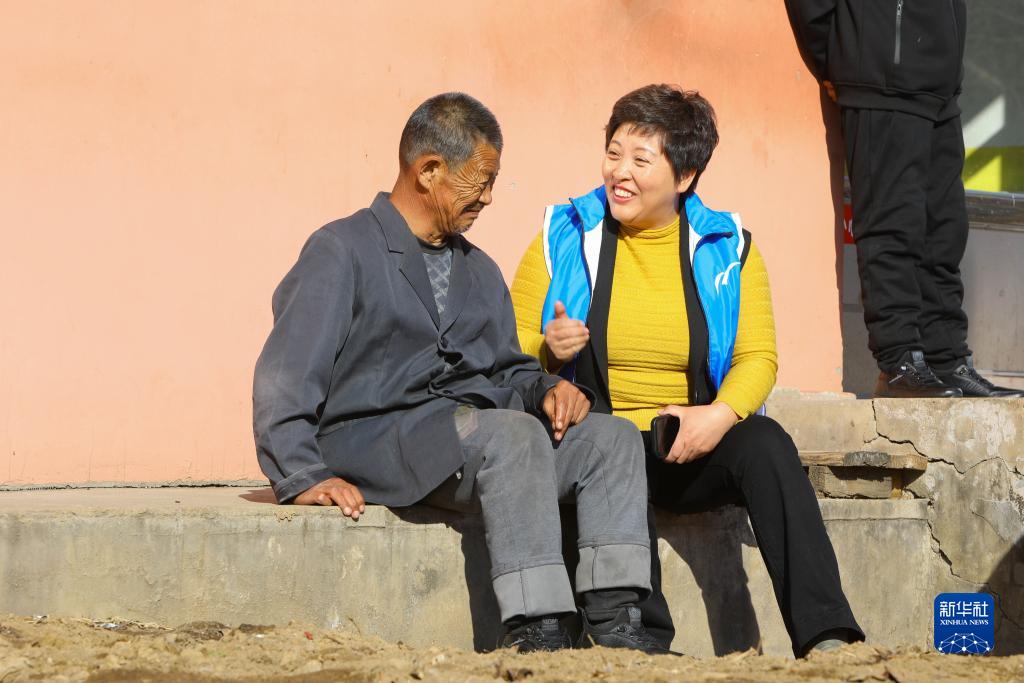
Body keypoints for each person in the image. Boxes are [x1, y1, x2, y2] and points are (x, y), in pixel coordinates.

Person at [253, 92, 666, 654]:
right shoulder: (341, 249)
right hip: (375, 438)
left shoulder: (479, 270)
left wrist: (548, 389)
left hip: (470, 439)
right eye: (481, 180)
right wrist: (300, 474)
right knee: (511, 435)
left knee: (611, 438)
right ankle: (540, 626)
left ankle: (619, 621)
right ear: (428, 170)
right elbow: (286, 372)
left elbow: (509, 369)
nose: (490, 197)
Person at [510, 84, 865, 656]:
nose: (620, 172)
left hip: (682, 444)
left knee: (766, 442)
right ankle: (642, 643)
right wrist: (549, 348)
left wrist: (718, 417)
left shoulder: (728, 247)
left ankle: (827, 635)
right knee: (614, 455)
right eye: (614, 153)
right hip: (592, 446)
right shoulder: (562, 235)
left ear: (685, 175)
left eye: (641, 159)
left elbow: (757, 357)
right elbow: (508, 349)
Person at [785, 0, 1023, 398]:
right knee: (891, 227)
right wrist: (850, 56)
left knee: (943, 233)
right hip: (882, 78)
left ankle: (946, 359)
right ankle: (899, 364)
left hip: (939, 89)